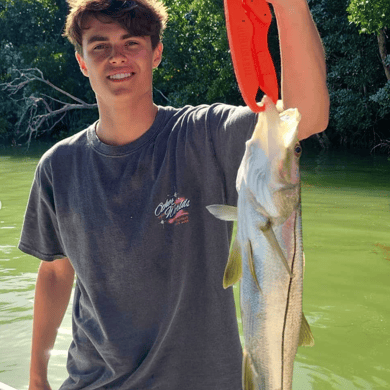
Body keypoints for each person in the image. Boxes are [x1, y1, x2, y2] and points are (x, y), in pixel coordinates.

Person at [18, 0, 329, 389]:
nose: (116, 56)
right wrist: (36, 376)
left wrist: (288, 7)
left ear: (156, 53)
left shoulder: (205, 133)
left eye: (131, 42)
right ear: (82, 61)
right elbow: (54, 271)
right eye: (99, 46)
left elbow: (307, 116)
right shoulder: (57, 165)